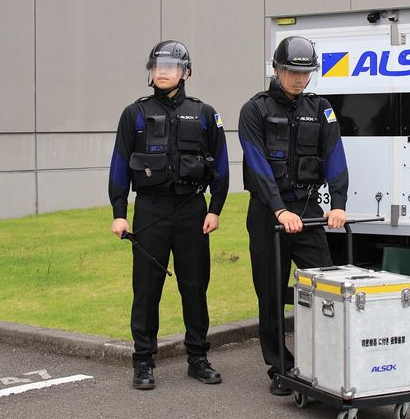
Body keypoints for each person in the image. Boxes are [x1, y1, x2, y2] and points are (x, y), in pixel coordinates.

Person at [108, 40, 229, 390]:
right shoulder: (134, 114)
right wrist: (119, 212)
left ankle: (198, 358)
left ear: (186, 73)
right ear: (150, 71)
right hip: (150, 210)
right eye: (157, 66)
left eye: (171, 67)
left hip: (193, 210)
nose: (162, 72)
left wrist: (215, 209)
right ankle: (143, 361)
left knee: (195, 286)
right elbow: (119, 166)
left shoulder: (205, 113)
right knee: (146, 289)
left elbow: (221, 165)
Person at [238, 36, 348, 396]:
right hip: (268, 213)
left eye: (305, 73)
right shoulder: (254, 110)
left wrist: (338, 204)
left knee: (326, 286)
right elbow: (257, 164)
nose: (299, 79)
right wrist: (279, 209)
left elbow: (335, 155)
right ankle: (280, 367)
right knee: (270, 293)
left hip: (307, 209)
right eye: (291, 72)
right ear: (276, 69)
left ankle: (326, 360)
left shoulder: (321, 108)